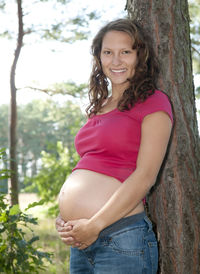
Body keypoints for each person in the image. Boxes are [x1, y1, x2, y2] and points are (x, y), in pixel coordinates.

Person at [55, 18, 173, 273]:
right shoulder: (99, 106)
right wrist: (65, 216)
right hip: (81, 241)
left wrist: (95, 224)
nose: (116, 61)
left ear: (140, 56)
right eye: (108, 52)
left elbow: (145, 177)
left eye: (125, 52)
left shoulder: (154, 102)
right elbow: (89, 165)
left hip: (121, 237)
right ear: (99, 57)